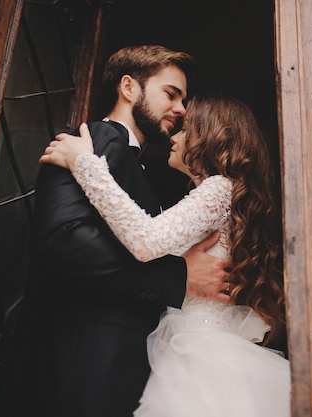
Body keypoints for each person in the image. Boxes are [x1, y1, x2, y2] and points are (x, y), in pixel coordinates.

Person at [0, 46, 232, 417]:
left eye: (183, 99)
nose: (182, 109)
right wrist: (179, 277)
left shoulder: (136, 167)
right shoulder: (96, 142)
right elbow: (64, 243)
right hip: (83, 363)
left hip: (115, 364)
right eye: (171, 94)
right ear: (129, 87)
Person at [40, 94, 291, 416]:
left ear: (210, 135)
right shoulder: (220, 192)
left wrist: (84, 164)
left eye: (186, 130)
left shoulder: (218, 189)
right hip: (192, 341)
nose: (174, 137)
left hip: (196, 349)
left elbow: (145, 240)